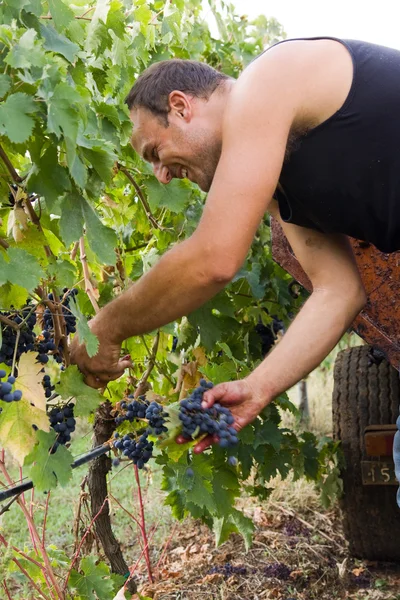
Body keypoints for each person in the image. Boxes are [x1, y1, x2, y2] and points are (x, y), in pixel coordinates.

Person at [71, 36, 400, 458]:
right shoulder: (284, 193)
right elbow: (339, 293)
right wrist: (258, 387)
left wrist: (104, 329)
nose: (161, 176)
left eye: (154, 152)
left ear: (180, 106)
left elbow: (214, 259)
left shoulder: (266, 80)